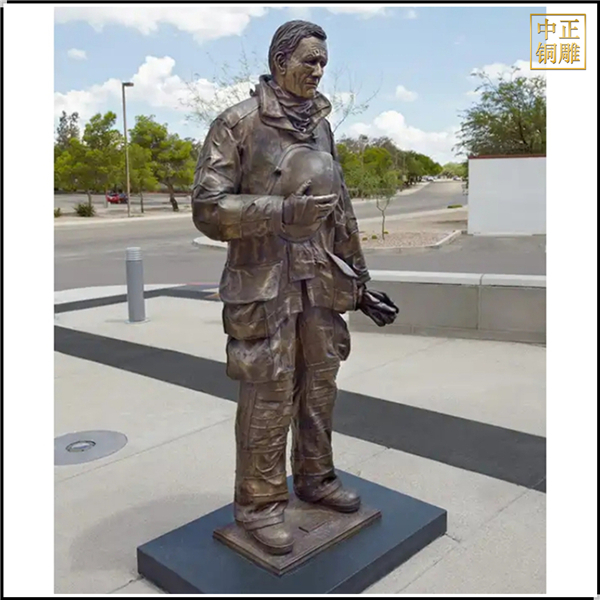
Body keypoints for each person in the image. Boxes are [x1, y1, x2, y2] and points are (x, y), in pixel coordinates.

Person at [192, 20, 397, 556]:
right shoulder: (237, 124)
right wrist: (280, 212)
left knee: (320, 384)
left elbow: (341, 210)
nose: (318, 70)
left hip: (321, 280)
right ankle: (259, 505)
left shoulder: (321, 129)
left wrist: (360, 283)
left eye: (323, 61)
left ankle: (315, 477)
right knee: (270, 391)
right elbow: (208, 209)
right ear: (280, 60)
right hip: (264, 285)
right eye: (309, 60)